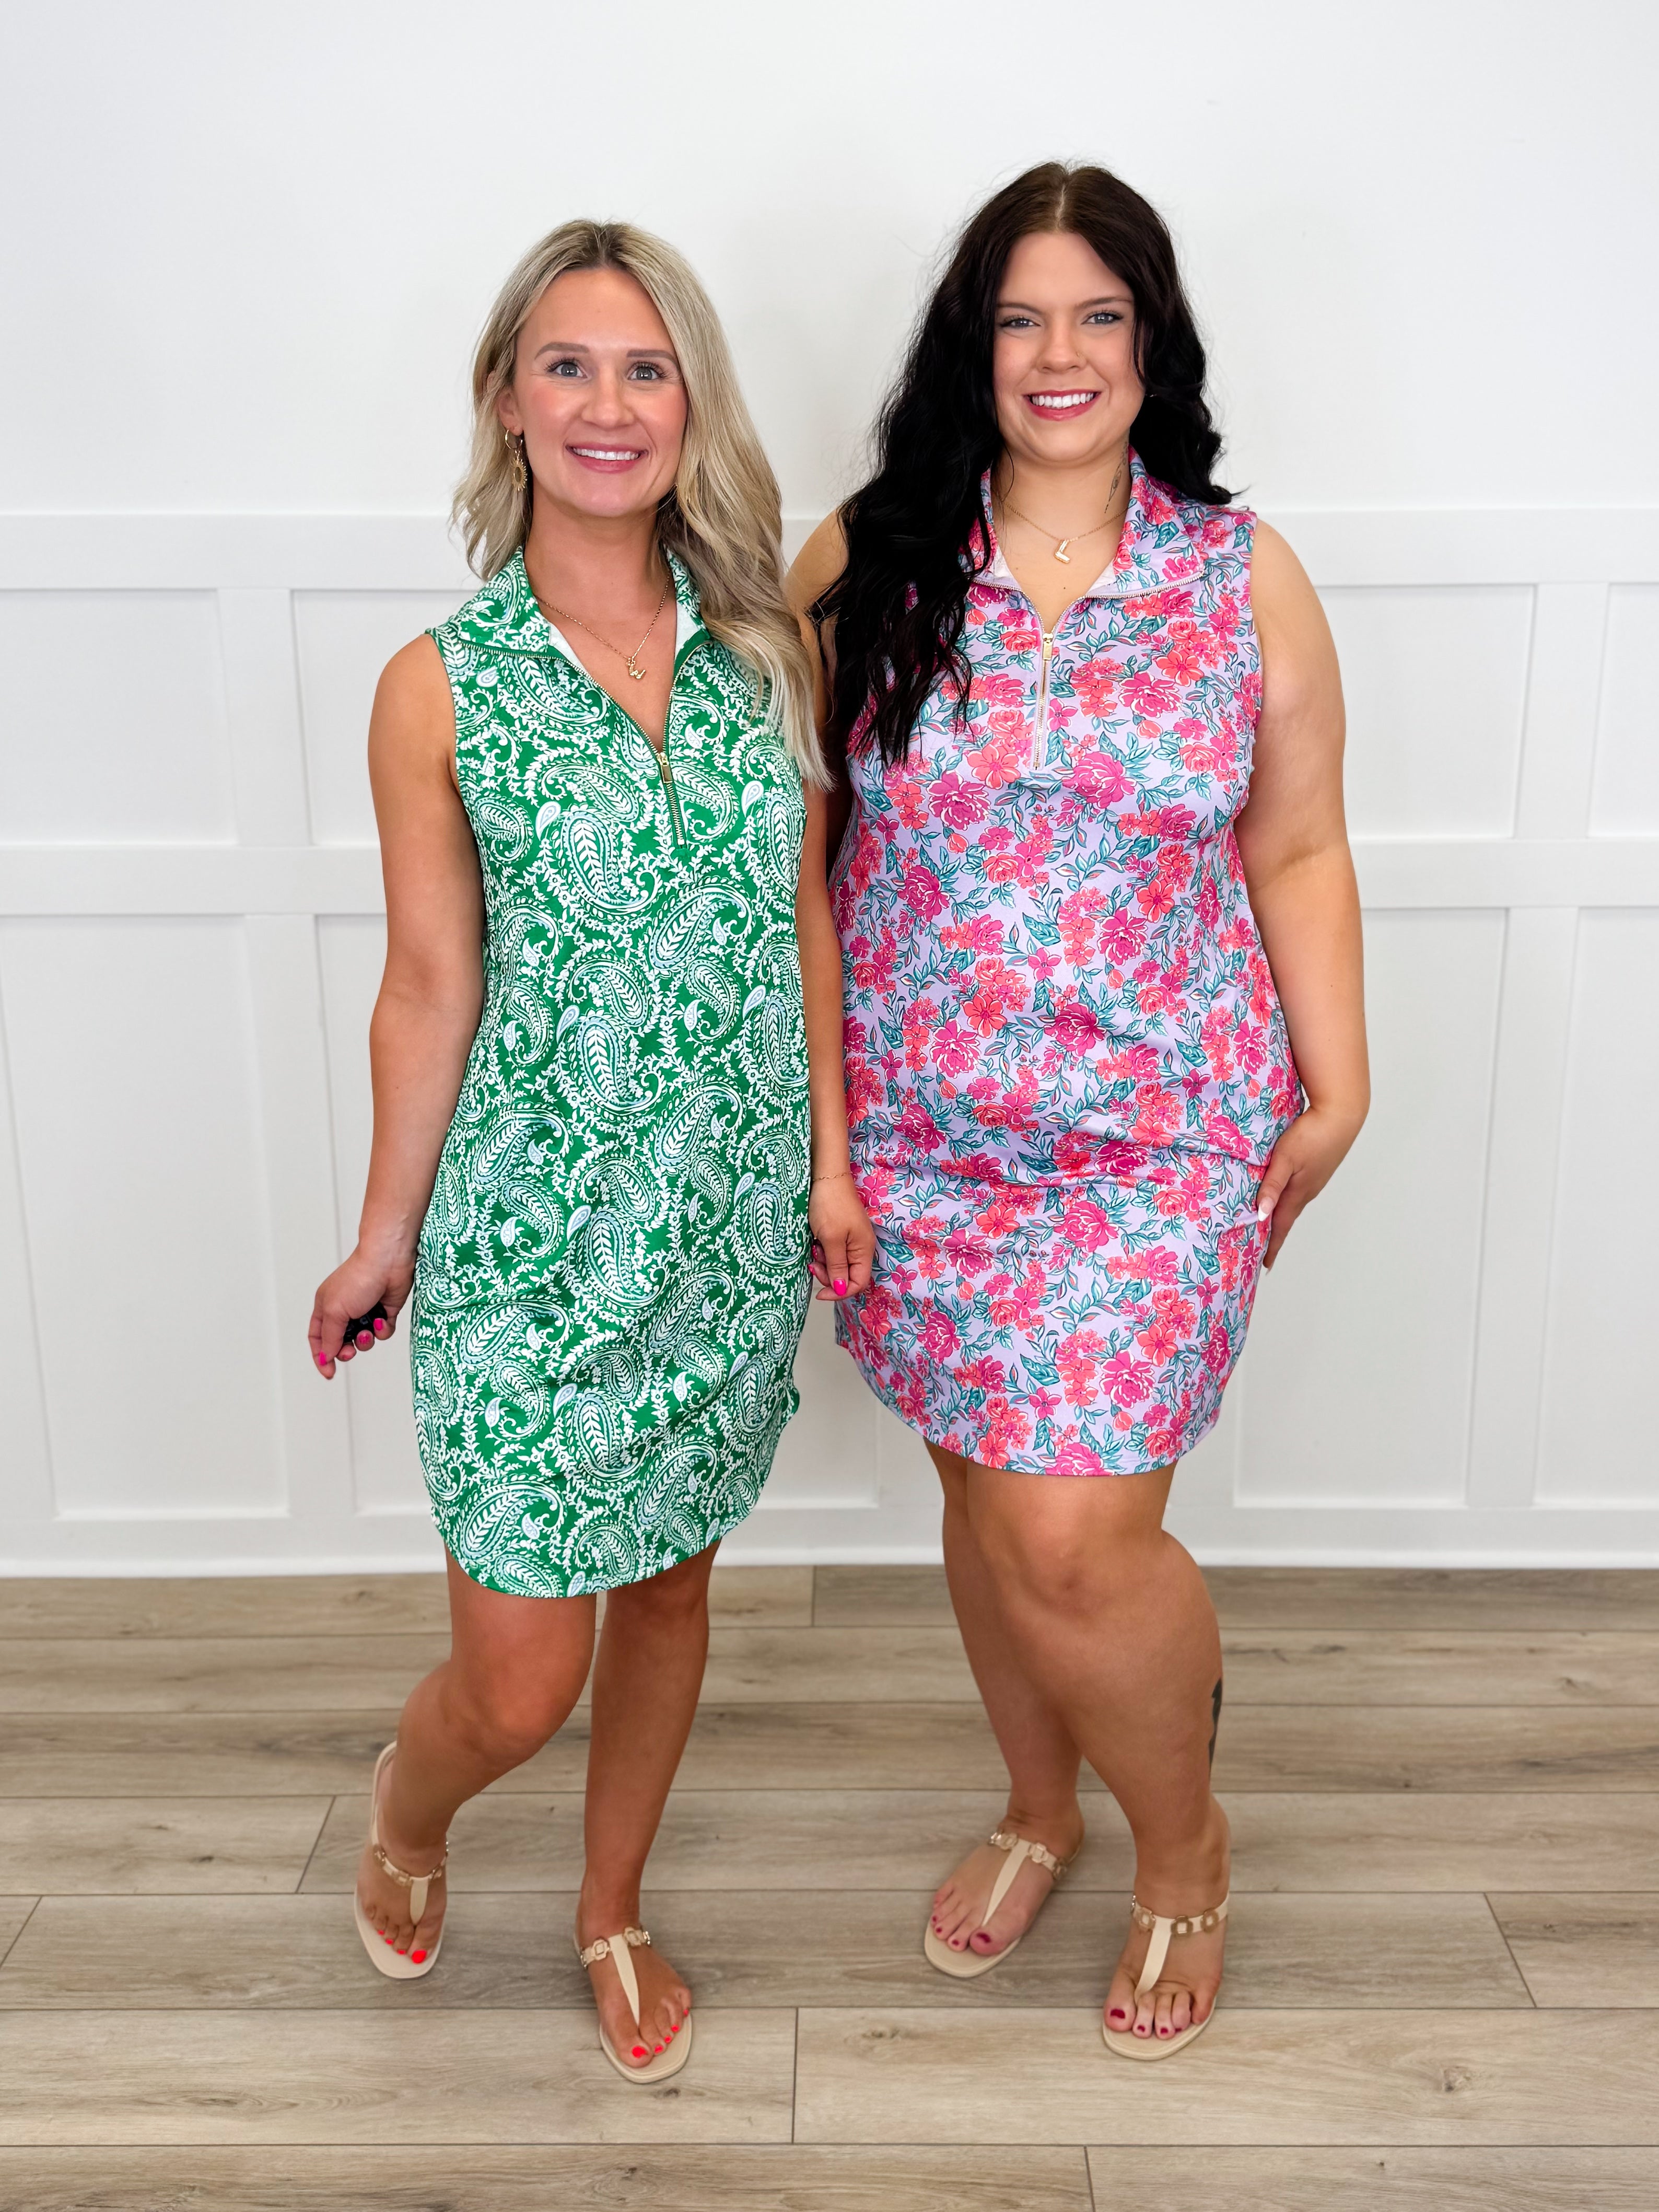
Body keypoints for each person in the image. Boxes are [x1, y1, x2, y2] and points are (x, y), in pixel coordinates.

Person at [791, 162, 1367, 2059]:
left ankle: (1185, 1847)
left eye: (1099, 316)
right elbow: (797, 863)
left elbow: (1295, 843)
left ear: (1150, 342)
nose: (1061, 353)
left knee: (1070, 1536)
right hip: (923, 1141)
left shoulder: (1238, 574)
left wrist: (1345, 1075)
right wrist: (827, 1140)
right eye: (1023, 316)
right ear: (975, 343)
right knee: (985, 1488)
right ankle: (1039, 1805)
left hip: (1160, 1133)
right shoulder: (867, 556)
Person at [309, 219, 872, 2081]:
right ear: (507, 400)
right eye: (567, 365)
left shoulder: (765, 654)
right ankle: (410, 1804)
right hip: (531, 1248)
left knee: (674, 1586)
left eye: (645, 367)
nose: (607, 403)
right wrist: (383, 1233)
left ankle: (609, 1903)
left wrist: (831, 1165)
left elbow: (805, 918)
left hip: (721, 1226)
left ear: (690, 402)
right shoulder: (439, 686)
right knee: (519, 1677)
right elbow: (427, 982)